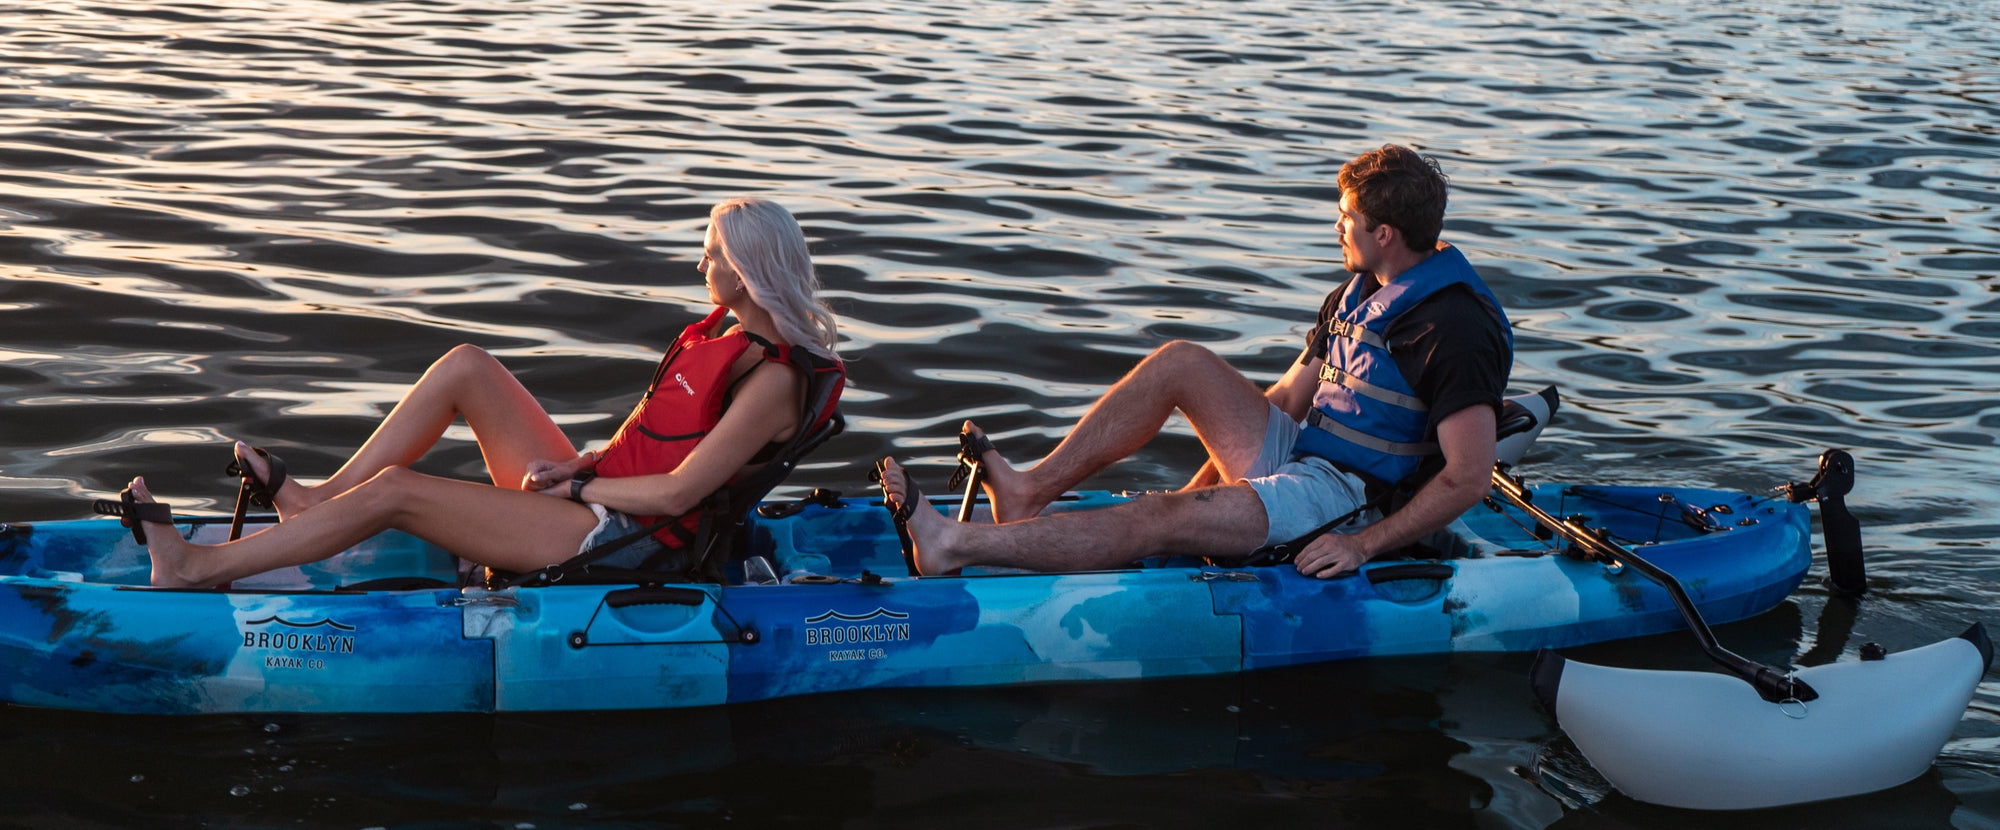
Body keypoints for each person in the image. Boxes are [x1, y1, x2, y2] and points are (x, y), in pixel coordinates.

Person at [108, 198, 842, 588]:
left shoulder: (774, 381)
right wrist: (579, 467)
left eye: (711, 254)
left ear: (744, 272)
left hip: (633, 543)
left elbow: (681, 493)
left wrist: (580, 497)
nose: (698, 263)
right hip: (603, 499)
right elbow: (652, 442)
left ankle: (193, 569)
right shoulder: (724, 338)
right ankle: (313, 499)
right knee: (468, 364)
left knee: (400, 489)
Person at [876, 144, 1510, 579]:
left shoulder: (1454, 328)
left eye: (1346, 218)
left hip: (1352, 500)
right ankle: (1028, 490)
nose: (1335, 228)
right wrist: (1208, 499)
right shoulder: (1361, 289)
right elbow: (1287, 401)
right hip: (1305, 455)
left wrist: (1359, 545)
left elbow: (1469, 476)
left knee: (1158, 518)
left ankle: (951, 546)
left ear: (1385, 235)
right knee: (1181, 361)